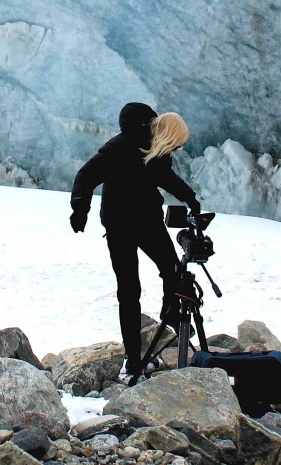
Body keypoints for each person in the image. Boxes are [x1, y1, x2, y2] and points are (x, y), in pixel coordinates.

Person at [70, 102, 201, 378]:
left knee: (173, 271)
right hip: (119, 226)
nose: (177, 150)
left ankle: (171, 313)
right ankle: (133, 358)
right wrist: (80, 209)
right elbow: (86, 176)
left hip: (147, 221)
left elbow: (165, 177)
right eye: (177, 145)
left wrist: (191, 199)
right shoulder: (119, 148)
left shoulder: (158, 152)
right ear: (168, 137)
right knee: (129, 291)